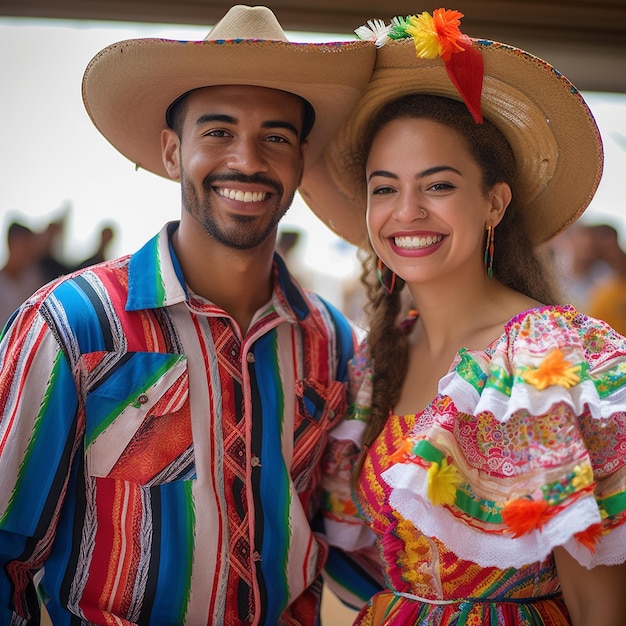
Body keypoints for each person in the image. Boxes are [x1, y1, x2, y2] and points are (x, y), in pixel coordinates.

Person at [0, 6, 382, 624]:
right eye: (218, 132)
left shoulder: (335, 346)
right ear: (173, 152)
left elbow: (358, 551)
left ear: (301, 161)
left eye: (276, 137)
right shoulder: (72, 326)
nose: (248, 160)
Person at [301, 8, 626, 625]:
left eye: (439, 185)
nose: (407, 212)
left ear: (494, 202)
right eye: (384, 187)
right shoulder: (382, 357)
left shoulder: (546, 361)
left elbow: (599, 602)